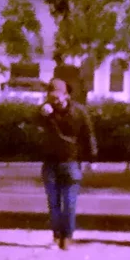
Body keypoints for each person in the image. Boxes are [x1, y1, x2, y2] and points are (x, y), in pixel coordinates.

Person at [39, 78, 96, 249]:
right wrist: (41, 112)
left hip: (71, 162)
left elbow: (88, 134)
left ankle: (67, 237)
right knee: (53, 204)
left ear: (66, 95)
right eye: (51, 98)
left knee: (70, 203)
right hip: (50, 162)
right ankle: (57, 237)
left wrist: (92, 158)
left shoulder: (79, 112)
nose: (55, 101)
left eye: (57, 97)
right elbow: (32, 121)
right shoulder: (46, 112)